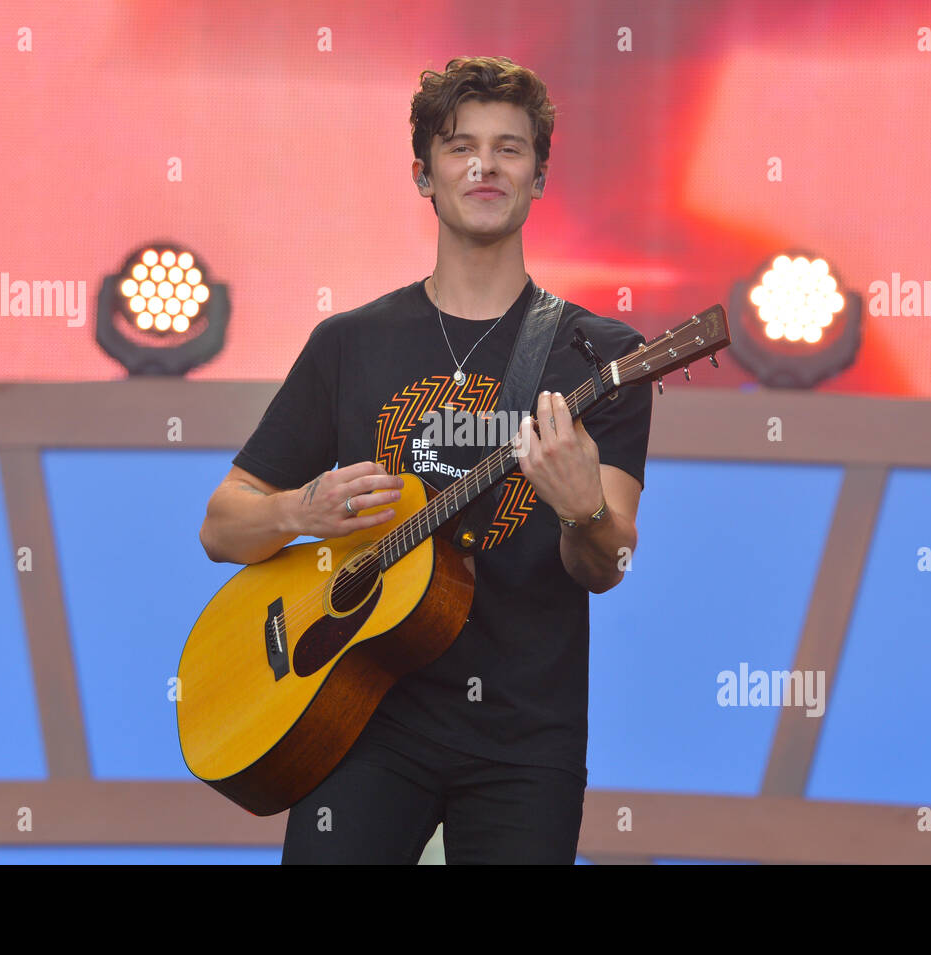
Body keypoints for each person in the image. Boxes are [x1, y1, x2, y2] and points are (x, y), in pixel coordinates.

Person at [199, 55, 653, 864]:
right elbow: (221, 524)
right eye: (460, 146)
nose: (485, 164)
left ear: (539, 178)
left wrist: (582, 509)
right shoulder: (349, 343)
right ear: (424, 176)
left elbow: (607, 561)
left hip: (525, 733)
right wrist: (297, 511)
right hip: (361, 716)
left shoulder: (600, 355)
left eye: (510, 148)